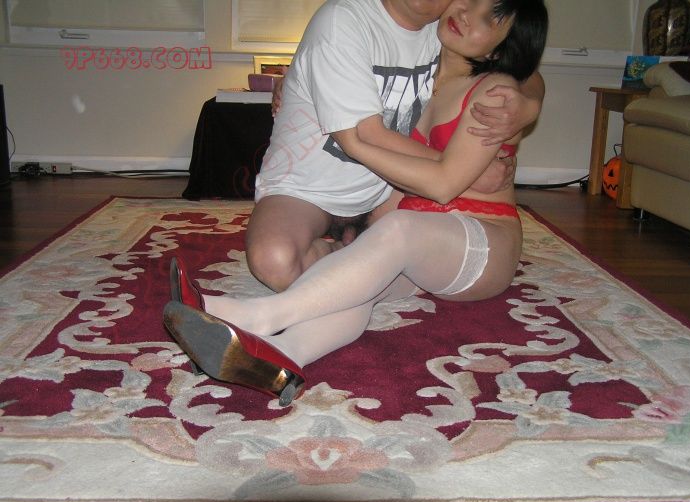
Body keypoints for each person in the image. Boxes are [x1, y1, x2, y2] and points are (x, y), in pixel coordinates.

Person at [163, 0, 549, 407]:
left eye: (490, 18)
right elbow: (340, 59)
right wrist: (298, 74)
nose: (468, 13)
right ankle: (283, 357)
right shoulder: (428, 60)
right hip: (427, 249)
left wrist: (528, 102)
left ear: (498, 51)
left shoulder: (494, 95)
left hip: (481, 243)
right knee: (354, 286)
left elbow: (443, 184)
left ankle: (256, 316)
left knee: (398, 230)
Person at [246, 0, 545, 292]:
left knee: (402, 250)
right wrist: (466, 174)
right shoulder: (344, 21)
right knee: (275, 261)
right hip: (307, 190)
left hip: (385, 192)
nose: (468, 14)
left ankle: (344, 258)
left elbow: (523, 67)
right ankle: (356, 266)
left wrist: (528, 104)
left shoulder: (441, 29)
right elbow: (364, 136)